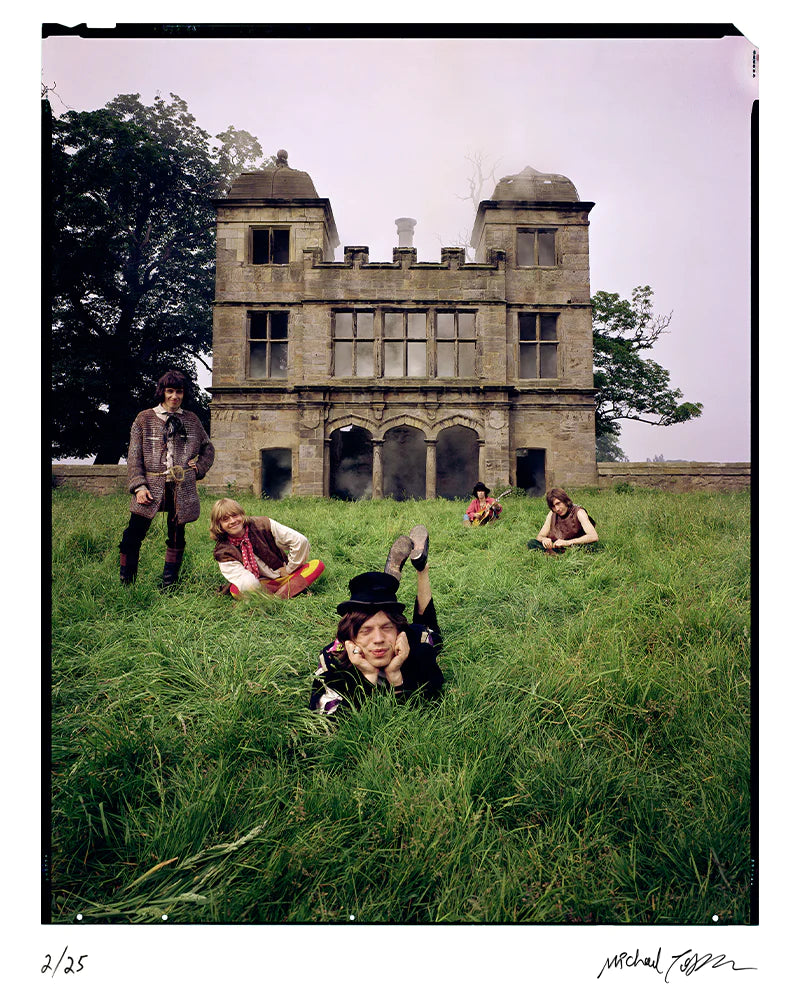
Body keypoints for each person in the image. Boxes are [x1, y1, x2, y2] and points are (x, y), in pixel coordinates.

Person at [309, 525, 443, 714]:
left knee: (431, 632)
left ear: (398, 632)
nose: (378, 638)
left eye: (387, 628)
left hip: (414, 634)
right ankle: (383, 587)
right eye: (366, 630)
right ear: (351, 637)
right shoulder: (333, 659)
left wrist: (396, 677)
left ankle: (421, 568)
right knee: (382, 606)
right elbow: (325, 714)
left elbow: (430, 704)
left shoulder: (418, 648)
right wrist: (369, 677)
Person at [119, 370, 214, 587]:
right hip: (150, 487)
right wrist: (139, 486)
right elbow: (134, 457)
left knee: (177, 535)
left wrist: (199, 468)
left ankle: (169, 584)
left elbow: (208, 448)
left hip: (181, 488)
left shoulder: (191, 419)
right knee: (132, 535)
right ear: (162, 392)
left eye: (179, 392)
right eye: (170, 391)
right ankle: (127, 585)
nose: (174, 396)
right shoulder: (144, 418)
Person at [210, 498, 324, 599]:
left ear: (241, 515)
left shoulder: (263, 524)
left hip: (283, 576)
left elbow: (300, 541)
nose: (232, 521)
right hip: (260, 584)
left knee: (316, 565)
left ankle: (276, 594)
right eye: (225, 519)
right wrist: (258, 587)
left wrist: (289, 569)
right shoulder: (223, 551)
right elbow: (245, 581)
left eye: (235, 515)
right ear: (219, 525)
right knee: (236, 590)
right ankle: (286, 592)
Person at [528, 487, 599, 552]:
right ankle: (555, 552)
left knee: (586, 548)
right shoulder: (552, 514)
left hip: (574, 544)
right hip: (557, 545)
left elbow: (594, 536)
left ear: (565, 500)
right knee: (532, 543)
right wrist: (544, 539)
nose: (557, 509)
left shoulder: (579, 512)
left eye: (558, 503)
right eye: (553, 506)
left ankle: (554, 553)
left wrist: (567, 543)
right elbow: (540, 536)